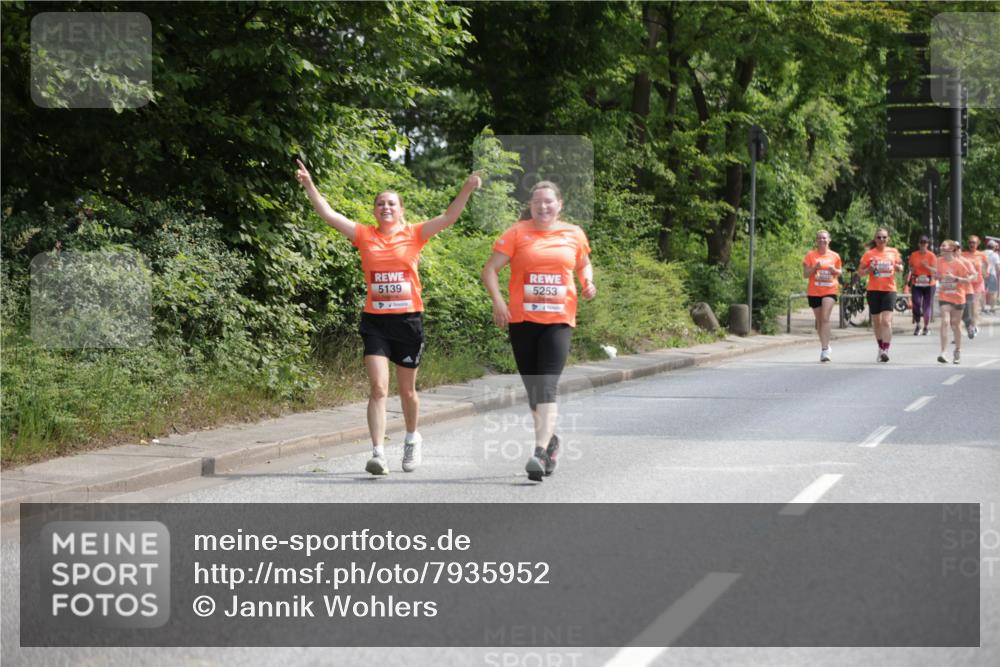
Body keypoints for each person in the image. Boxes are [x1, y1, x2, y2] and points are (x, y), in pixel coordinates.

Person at [296, 159, 481, 475]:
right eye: (380, 203)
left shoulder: (415, 233)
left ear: (401, 209)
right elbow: (328, 214)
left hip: (408, 321)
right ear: (374, 210)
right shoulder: (364, 235)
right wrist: (309, 185)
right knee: (379, 388)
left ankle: (411, 437)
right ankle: (378, 453)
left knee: (407, 390)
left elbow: (449, 217)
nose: (385, 207)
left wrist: (466, 188)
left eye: (391, 203)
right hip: (375, 322)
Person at [481, 181, 595, 482]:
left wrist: (588, 283)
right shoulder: (516, 233)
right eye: (536, 202)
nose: (542, 207)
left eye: (548, 202)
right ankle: (552, 442)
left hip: (558, 320)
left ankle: (540, 451)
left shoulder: (574, 234)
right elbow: (489, 270)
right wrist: (498, 302)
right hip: (522, 321)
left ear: (560, 205)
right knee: (534, 391)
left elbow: (583, 264)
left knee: (546, 386)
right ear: (530, 206)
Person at [857, 227, 903, 363]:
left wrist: (899, 268)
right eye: (879, 237)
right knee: (876, 322)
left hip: (889, 290)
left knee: (886, 321)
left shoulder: (893, 252)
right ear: (875, 239)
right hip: (873, 290)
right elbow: (860, 272)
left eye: (884, 237)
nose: (881, 240)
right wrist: (868, 270)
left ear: (888, 239)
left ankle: (886, 350)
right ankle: (881, 347)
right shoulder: (869, 254)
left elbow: (900, 266)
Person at [802, 230, 841, 362]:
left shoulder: (835, 256)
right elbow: (805, 274)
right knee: (819, 322)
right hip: (814, 291)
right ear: (816, 241)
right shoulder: (810, 255)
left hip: (830, 289)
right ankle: (826, 345)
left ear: (829, 240)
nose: (822, 240)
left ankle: (824, 351)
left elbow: (839, 272)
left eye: (824, 238)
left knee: (825, 318)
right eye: (819, 238)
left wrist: (834, 270)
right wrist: (814, 268)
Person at [934, 240, 974, 364]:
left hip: (958, 297)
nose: (941, 247)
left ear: (951, 249)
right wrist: (937, 277)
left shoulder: (959, 263)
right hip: (944, 296)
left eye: (944, 245)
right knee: (945, 322)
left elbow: (969, 279)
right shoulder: (938, 261)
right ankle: (943, 352)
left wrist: (956, 278)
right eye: (941, 245)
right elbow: (936, 275)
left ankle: (957, 350)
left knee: (955, 325)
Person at [906, 235, 937, 335]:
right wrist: (912, 270)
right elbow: (910, 267)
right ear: (919, 244)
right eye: (921, 242)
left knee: (926, 305)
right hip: (917, 283)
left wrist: (927, 266)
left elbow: (936, 271)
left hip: (929, 283)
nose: (923, 244)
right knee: (916, 303)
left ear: (927, 244)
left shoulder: (931, 256)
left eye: (925, 243)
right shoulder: (914, 255)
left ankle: (926, 327)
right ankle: (918, 325)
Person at [961, 236, 988, 337]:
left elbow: (985, 269)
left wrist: (984, 274)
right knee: (964, 307)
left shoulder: (982, 255)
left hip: (977, 284)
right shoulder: (963, 254)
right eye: (970, 242)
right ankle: (968, 325)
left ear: (978, 244)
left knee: (974, 305)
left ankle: (974, 326)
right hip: (967, 284)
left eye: (973, 242)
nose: (971, 244)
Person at [985, 239, 999, 314]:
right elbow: (997, 267)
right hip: (992, 274)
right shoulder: (995, 255)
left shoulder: (982, 253)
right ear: (993, 247)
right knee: (993, 292)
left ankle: (983, 308)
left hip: (982, 274)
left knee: (982, 292)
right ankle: (992, 308)